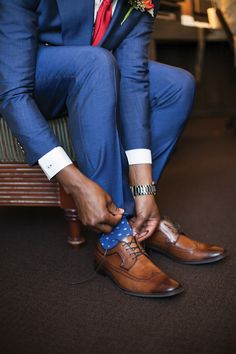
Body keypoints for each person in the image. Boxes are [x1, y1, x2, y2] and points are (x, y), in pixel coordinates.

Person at [0, 0, 226, 298]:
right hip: (27, 73)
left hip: (94, 70)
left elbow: (132, 78)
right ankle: (114, 239)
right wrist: (76, 184)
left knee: (176, 86)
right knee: (95, 62)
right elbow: (12, 93)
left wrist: (145, 189)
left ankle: (136, 218)